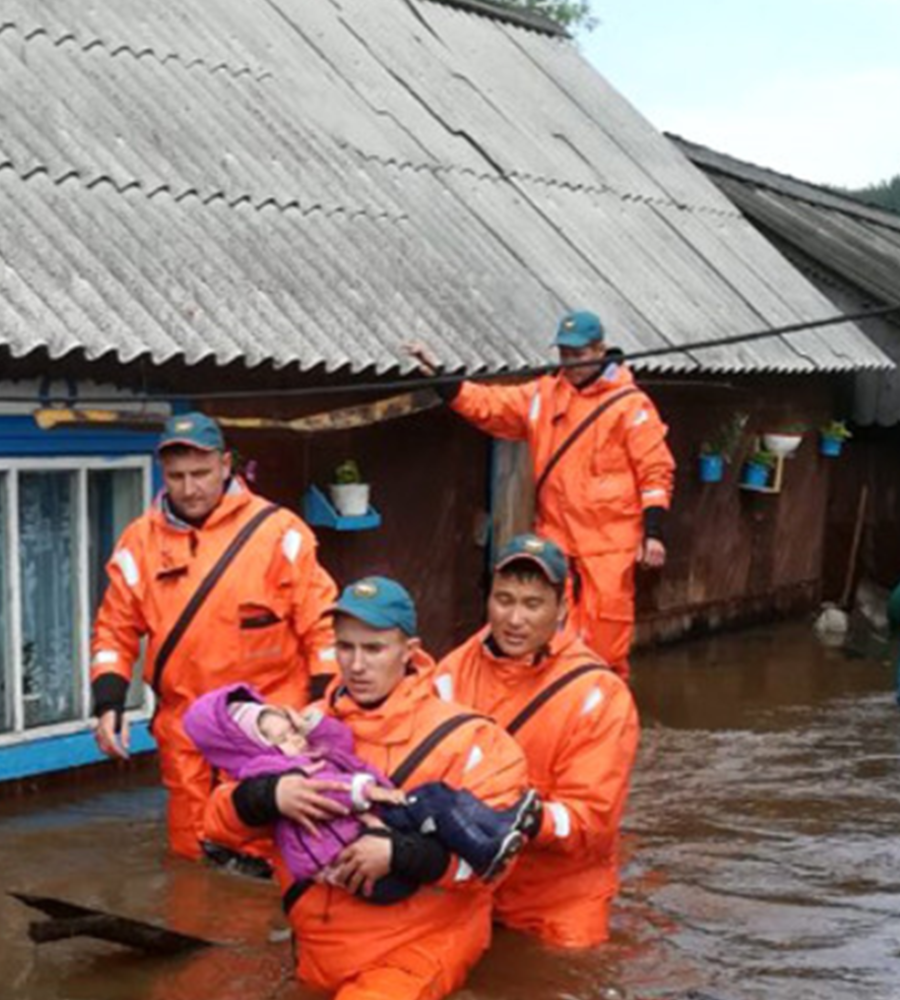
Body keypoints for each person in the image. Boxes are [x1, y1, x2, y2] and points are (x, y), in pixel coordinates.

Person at [201, 576, 530, 1000]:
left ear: (410, 652)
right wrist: (269, 797)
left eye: (373, 649)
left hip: (416, 946)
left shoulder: (471, 740)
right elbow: (215, 827)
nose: (356, 665)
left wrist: (399, 854)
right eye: (345, 648)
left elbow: (494, 865)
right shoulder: (300, 728)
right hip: (317, 950)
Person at [90, 411, 338, 861]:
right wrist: (108, 704)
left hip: (268, 726)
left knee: (274, 852)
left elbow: (322, 624)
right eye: (177, 476)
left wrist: (324, 703)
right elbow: (113, 629)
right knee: (190, 854)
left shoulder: (279, 533)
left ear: (227, 465)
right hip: (185, 729)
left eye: (201, 473)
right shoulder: (138, 543)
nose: (190, 488)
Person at [408, 309, 675, 679]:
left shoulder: (631, 406)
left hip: (609, 547)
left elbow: (655, 470)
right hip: (555, 541)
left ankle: (602, 713)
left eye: (579, 355)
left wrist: (654, 532)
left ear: (600, 348)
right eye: (564, 354)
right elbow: (490, 406)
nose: (571, 363)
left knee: (605, 646)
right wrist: (443, 379)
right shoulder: (543, 396)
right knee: (543, 636)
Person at [436, 534, 640, 949]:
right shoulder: (451, 672)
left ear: (562, 610)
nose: (514, 619)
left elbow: (592, 821)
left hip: (559, 896)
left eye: (532, 604)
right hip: (466, 882)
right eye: (504, 600)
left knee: (565, 989)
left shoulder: (598, 696)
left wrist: (528, 820)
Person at [184, 682, 543, 900]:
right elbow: (330, 791)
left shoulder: (301, 747)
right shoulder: (271, 771)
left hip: (370, 858)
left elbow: (339, 741)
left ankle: (497, 828)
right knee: (433, 800)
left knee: (437, 799)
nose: (293, 740)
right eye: (281, 738)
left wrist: (304, 725)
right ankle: (487, 848)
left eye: (372, 647)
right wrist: (372, 792)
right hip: (361, 872)